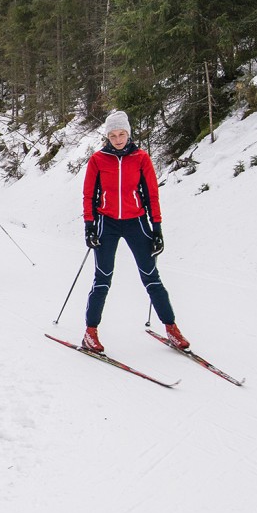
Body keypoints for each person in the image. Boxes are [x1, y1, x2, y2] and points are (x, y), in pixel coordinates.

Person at [80, 110, 187, 352]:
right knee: (102, 278)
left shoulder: (141, 158)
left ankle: (171, 328)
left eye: (122, 134)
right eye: (113, 135)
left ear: (128, 134)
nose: (118, 139)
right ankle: (90, 332)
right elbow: (89, 194)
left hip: (136, 222)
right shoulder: (98, 159)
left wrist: (157, 227)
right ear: (107, 137)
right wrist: (89, 225)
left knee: (151, 276)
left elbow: (151, 194)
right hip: (107, 223)